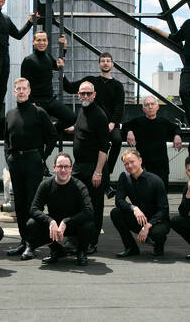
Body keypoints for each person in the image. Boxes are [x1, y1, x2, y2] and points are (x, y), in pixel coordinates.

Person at [4, 78, 57, 260]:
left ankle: (31, 244)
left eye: (23, 88)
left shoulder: (39, 112)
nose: (20, 91)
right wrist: (8, 157)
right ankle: (23, 241)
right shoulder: (10, 114)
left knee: (32, 204)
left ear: (29, 90)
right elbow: (6, 139)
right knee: (18, 203)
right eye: (17, 88)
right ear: (14, 91)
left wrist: (42, 157)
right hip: (15, 161)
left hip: (33, 160)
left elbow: (52, 136)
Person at [62, 52, 125, 182]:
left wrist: (112, 123)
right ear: (99, 64)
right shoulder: (91, 81)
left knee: (117, 140)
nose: (105, 63)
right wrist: (61, 73)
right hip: (92, 123)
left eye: (108, 61)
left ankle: (108, 171)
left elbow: (119, 107)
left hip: (110, 123)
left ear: (112, 64)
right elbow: (70, 87)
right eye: (103, 61)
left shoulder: (118, 86)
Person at [26, 152, 95, 266]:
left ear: (71, 168)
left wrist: (67, 221)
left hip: (73, 224)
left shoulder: (79, 186)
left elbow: (89, 211)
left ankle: (81, 252)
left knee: (89, 224)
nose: (63, 170)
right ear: (54, 168)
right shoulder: (46, 185)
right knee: (31, 224)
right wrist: (50, 221)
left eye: (66, 167)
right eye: (60, 166)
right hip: (54, 225)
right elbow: (34, 209)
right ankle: (56, 249)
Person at [71, 81, 109, 254]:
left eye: (88, 93)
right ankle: (80, 239)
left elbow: (104, 147)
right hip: (79, 167)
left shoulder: (99, 115)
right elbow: (80, 130)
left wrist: (98, 172)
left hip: (94, 168)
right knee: (79, 204)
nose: (85, 96)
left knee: (94, 206)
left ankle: (92, 242)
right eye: (82, 93)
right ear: (78, 95)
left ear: (94, 95)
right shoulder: (82, 111)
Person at [111, 150, 170, 257]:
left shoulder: (156, 180)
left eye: (132, 162)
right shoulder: (124, 178)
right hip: (139, 218)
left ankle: (158, 243)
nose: (129, 166)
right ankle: (131, 248)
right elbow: (118, 201)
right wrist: (134, 208)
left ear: (140, 161)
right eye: (126, 164)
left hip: (157, 221)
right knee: (115, 213)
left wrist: (148, 226)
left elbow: (164, 210)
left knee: (157, 233)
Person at [20, 31, 76, 134]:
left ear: (47, 42)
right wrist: (31, 103)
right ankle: (47, 134)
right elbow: (24, 84)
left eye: (44, 40)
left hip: (50, 100)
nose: (41, 43)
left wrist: (64, 48)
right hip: (36, 102)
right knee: (36, 130)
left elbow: (58, 64)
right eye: (39, 40)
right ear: (33, 42)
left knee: (72, 118)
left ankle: (51, 132)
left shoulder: (48, 57)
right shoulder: (28, 60)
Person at [122, 95, 182, 185]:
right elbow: (125, 126)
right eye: (147, 105)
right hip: (143, 164)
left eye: (152, 104)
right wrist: (129, 132)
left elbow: (176, 128)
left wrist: (177, 136)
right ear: (143, 109)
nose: (150, 107)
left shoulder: (163, 122)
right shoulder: (138, 122)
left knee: (161, 192)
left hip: (161, 165)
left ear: (157, 107)